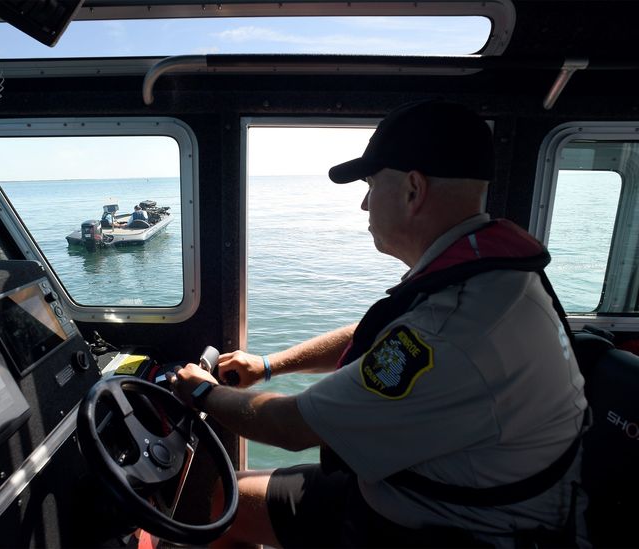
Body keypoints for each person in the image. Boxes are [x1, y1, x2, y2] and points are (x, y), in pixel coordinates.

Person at [167, 99, 589, 548]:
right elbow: (375, 338)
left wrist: (201, 391)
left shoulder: (451, 328)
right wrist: (268, 365)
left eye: (370, 184)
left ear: (413, 190)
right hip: (441, 483)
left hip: (458, 526)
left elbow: (290, 427)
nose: (365, 202)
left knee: (224, 505)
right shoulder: (490, 276)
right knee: (226, 498)